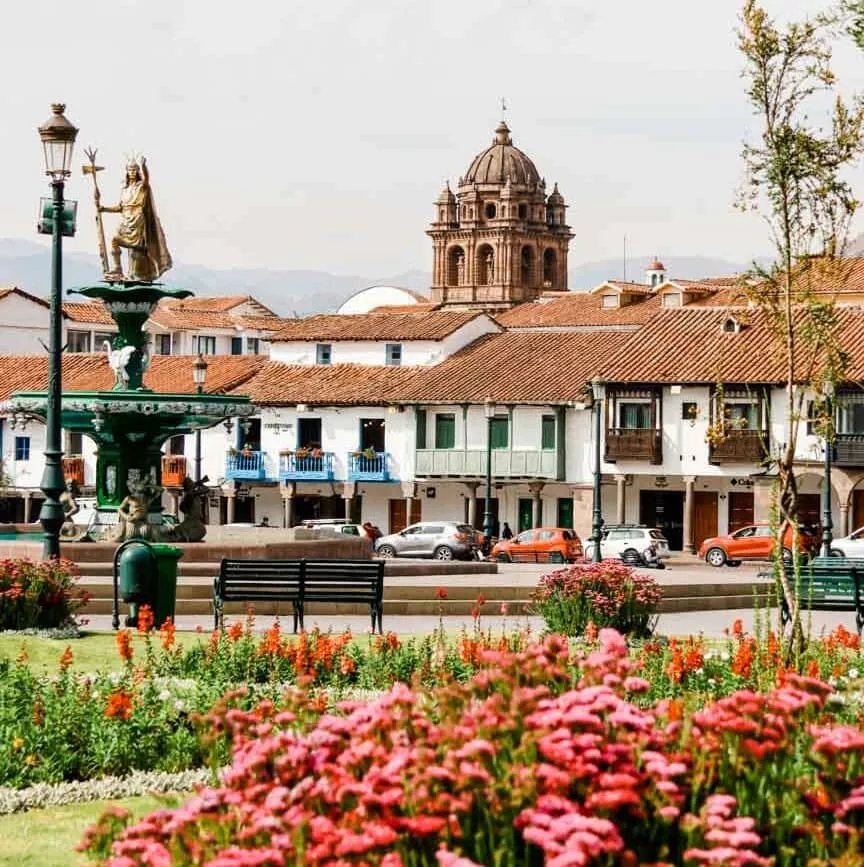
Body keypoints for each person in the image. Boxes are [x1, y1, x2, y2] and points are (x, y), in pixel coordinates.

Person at [99, 157, 172, 281]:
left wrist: (144, 167)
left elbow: (147, 180)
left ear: (137, 171)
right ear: (127, 171)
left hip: (138, 220)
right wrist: (104, 208)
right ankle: (117, 268)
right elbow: (120, 207)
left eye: (134, 169)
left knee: (138, 251)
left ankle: (139, 273)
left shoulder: (141, 187)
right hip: (126, 220)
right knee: (114, 240)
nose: (132, 171)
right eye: (129, 169)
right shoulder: (124, 189)